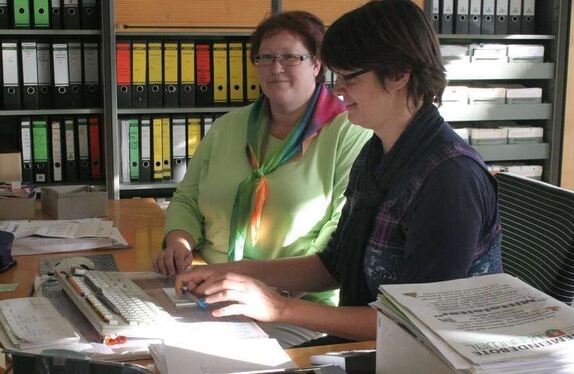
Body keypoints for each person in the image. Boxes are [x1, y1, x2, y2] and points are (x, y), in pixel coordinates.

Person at [174, 0, 503, 346]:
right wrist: (233, 273)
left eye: (349, 77)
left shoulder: (449, 179)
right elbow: (334, 265)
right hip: (372, 345)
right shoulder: (376, 152)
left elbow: (413, 326)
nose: (338, 89)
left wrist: (279, 307)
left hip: (419, 356)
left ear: (399, 74)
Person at [153, 11, 372, 308]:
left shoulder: (349, 131)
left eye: (290, 57)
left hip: (298, 301)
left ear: (317, 64)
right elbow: (187, 197)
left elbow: (340, 231)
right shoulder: (228, 126)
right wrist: (179, 241)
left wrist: (270, 290)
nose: (275, 67)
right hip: (210, 283)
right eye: (265, 58)